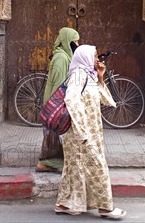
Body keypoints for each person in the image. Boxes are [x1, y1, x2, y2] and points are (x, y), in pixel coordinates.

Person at [54, 45, 127, 219]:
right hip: (81, 133)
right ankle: (106, 208)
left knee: (74, 168)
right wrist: (81, 131)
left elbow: (106, 100)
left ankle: (64, 204)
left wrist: (101, 78)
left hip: (89, 132)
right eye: (94, 56)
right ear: (84, 57)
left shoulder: (89, 75)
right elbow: (71, 100)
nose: (97, 59)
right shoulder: (78, 76)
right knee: (97, 166)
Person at [36, 27, 80, 173]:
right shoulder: (61, 58)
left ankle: (55, 162)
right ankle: (47, 163)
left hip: (56, 102)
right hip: (55, 102)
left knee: (57, 134)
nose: (77, 45)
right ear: (67, 42)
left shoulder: (65, 56)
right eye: (75, 41)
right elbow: (59, 84)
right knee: (54, 133)